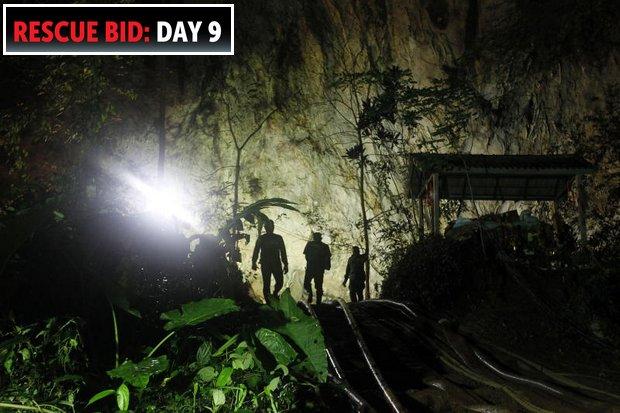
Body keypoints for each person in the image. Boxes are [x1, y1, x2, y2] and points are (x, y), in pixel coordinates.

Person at [252, 220, 288, 301]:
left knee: (280, 282)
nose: (271, 228)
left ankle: (275, 294)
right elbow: (256, 250)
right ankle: (268, 301)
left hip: (276, 263)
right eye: (268, 226)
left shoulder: (278, 238)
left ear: (273, 227)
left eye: (272, 226)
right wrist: (253, 262)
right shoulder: (261, 238)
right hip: (266, 264)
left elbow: (283, 251)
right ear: (266, 227)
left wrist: (286, 264)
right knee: (266, 284)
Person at [303, 232, 331, 305]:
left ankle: (318, 302)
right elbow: (306, 255)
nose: (316, 238)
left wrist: (327, 265)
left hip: (319, 269)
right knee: (306, 283)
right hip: (311, 267)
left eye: (317, 237)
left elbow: (328, 257)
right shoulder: (310, 244)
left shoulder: (325, 246)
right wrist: (310, 261)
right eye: (315, 237)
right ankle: (310, 294)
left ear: (320, 238)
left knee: (318, 286)